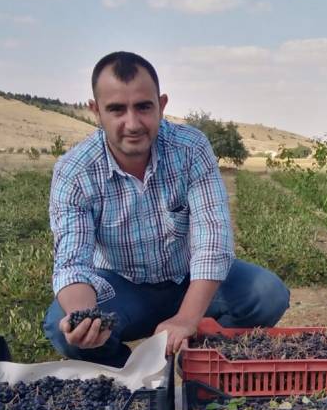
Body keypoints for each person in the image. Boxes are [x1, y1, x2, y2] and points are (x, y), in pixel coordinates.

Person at [42, 50, 290, 366]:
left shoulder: (190, 149)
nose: (132, 124)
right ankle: (135, 376)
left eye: (143, 107)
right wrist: (84, 319)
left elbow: (213, 241)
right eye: (116, 110)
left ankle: (201, 363)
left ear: (161, 104)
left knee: (267, 294)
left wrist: (187, 318)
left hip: (189, 277)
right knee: (61, 326)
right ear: (96, 111)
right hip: (123, 285)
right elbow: (72, 261)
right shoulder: (75, 171)